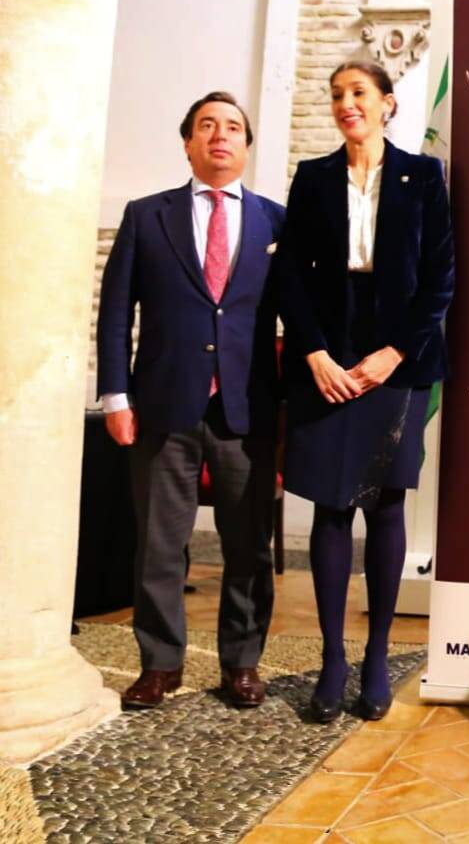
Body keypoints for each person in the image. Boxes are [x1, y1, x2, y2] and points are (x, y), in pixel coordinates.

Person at [97, 91, 285, 711]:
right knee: (157, 542)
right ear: (188, 142)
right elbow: (117, 308)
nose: (220, 136)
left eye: (233, 127)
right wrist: (115, 393)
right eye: (207, 126)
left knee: (248, 546)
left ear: (247, 145)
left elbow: (300, 316)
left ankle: (242, 662)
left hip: (247, 409)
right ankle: (160, 664)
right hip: (161, 404)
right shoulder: (146, 215)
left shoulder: (275, 221)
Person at [279, 60, 455, 723]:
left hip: (398, 362)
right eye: (336, 96)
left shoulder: (424, 177)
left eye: (358, 94)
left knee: (384, 505)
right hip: (327, 353)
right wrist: (316, 353)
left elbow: (441, 277)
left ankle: (376, 656)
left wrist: (394, 352)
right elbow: (291, 276)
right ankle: (331, 659)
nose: (346, 104)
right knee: (331, 507)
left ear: (387, 104)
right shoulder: (312, 177)